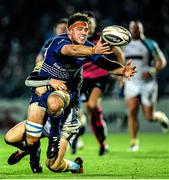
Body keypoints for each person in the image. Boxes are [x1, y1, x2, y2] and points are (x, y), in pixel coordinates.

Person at [23, 12, 136, 173]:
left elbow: (104, 63)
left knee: (53, 164)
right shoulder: (59, 41)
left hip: (66, 103)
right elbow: (71, 50)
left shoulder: (90, 46)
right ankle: (59, 160)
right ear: (69, 32)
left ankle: (63, 148)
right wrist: (93, 50)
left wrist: (122, 70)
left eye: (86, 29)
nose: (84, 32)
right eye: (80, 29)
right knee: (13, 138)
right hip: (50, 101)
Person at [71, 11, 126, 155]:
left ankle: (85, 133)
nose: (89, 25)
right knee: (87, 112)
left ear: (95, 24)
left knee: (92, 105)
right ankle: (102, 143)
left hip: (100, 77)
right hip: (82, 79)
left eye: (91, 22)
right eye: (86, 23)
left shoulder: (104, 37)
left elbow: (119, 54)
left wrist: (120, 74)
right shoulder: (77, 39)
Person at [123, 20, 169, 152]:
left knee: (149, 117)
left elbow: (162, 61)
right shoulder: (125, 45)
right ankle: (134, 142)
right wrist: (120, 76)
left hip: (147, 84)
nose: (134, 31)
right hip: (131, 82)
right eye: (132, 28)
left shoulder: (150, 43)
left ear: (141, 29)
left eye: (137, 28)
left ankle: (159, 116)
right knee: (131, 111)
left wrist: (152, 71)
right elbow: (120, 62)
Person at [5, 105, 84, 173]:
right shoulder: (48, 88)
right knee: (9, 138)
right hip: (45, 119)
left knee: (53, 166)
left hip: (65, 126)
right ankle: (28, 148)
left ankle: (77, 167)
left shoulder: (66, 89)